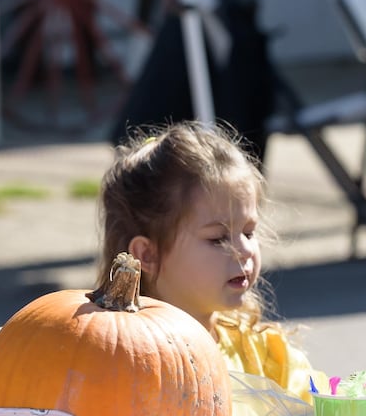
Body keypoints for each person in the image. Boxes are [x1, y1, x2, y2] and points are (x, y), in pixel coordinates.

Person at [98, 122, 318, 400]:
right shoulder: (120, 367)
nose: (244, 250)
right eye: (218, 238)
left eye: (249, 232)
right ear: (147, 255)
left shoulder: (266, 355)